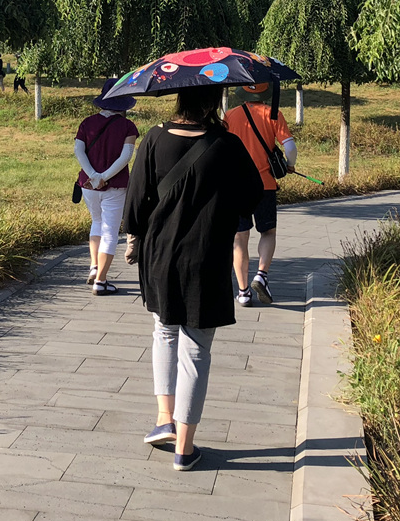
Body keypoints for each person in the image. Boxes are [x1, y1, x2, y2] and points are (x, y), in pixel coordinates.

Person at [124, 84, 263, 471]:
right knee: (196, 348)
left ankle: (163, 419)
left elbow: (135, 207)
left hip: (159, 257)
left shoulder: (153, 139)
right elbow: (250, 198)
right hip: (206, 257)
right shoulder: (227, 145)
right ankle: (185, 448)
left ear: (178, 98)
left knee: (164, 332)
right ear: (213, 102)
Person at [224, 84, 296, 306]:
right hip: (265, 185)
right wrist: (290, 165)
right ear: (264, 94)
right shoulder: (273, 114)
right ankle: (261, 275)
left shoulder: (230, 115)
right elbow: (290, 147)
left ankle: (243, 292)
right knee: (268, 232)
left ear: (244, 94)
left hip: (236, 185)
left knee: (239, 237)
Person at [74, 79, 139, 295]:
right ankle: (101, 281)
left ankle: (94, 267)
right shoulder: (128, 126)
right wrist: (105, 176)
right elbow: (126, 156)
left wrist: (93, 176)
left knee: (97, 222)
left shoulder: (87, 123)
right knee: (110, 230)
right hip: (115, 185)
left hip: (88, 185)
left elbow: (79, 151)